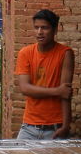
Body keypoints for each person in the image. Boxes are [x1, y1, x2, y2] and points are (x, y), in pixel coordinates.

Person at [15, 9, 74, 140]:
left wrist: (65, 126)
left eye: (45, 28)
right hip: (29, 127)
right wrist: (57, 91)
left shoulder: (65, 54)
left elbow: (66, 93)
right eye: (36, 28)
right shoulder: (25, 53)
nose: (40, 32)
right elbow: (25, 88)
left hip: (55, 127)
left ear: (55, 29)